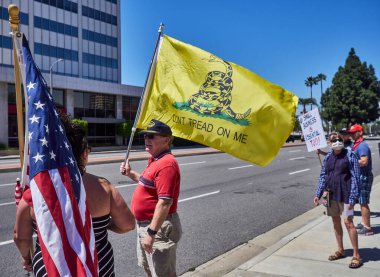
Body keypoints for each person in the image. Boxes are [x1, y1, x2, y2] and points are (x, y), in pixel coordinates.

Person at [14, 114, 135, 276]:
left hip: (51, 267)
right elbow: (127, 224)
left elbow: (21, 237)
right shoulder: (104, 188)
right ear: (84, 154)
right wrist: (101, 225)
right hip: (96, 266)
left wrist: (26, 258)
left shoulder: (34, 194)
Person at [120, 119, 182, 277]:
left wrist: (151, 233)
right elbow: (150, 184)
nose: (147, 139)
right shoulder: (156, 160)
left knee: (163, 274)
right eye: (146, 135)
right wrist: (130, 173)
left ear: (166, 140)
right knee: (150, 269)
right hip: (147, 226)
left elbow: (165, 202)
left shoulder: (167, 164)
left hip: (157, 228)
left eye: (152, 136)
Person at [314, 132, 362, 269]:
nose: (337, 141)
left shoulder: (350, 154)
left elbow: (355, 177)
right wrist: (318, 193)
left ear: (343, 140)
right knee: (335, 221)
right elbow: (323, 175)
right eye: (333, 140)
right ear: (329, 143)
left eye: (339, 139)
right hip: (330, 194)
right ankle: (340, 250)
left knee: (348, 222)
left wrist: (353, 197)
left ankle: (356, 255)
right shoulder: (328, 156)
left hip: (346, 194)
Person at [348, 124, 374, 236]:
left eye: (354, 132)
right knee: (361, 201)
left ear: (360, 132)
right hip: (360, 176)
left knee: (363, 202)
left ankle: (367, 228)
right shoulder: (356, 145)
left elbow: (364, 161)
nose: (351, 135)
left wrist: (351, 161)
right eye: (351, 133)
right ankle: (364, 223)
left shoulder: (362, 145)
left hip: (364, 175)